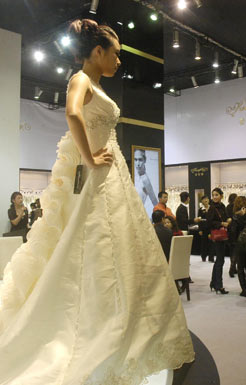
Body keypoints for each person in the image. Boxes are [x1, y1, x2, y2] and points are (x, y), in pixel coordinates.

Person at [0, 19, 194, 384]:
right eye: (116, 54)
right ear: (97, 52)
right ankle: (94, 328)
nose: (119, 61)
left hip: (112, 175)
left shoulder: (97, 84)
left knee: (120, 248)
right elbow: (72, 113)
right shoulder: (81, 80)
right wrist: (89, 159)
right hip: (97, 176)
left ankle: (124, 327)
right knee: (91, 247)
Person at [207, 188, 231, 294]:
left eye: (216, 195)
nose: (215, 197)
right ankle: (219, 285)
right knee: (220, 261)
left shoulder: (223, 206)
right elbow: (210, 222)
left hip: (223, 236)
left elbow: (224, 219)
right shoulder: (212, 208)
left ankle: (214, 283)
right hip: (217, 236)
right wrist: (222, 224)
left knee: (219, 260)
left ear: (221, 195)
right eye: (213, 195)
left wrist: (228, 220)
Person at [231, 196, 246, 297]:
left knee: (240, 268)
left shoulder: (235, 217)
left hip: (239, 244)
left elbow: (233, 232)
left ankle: (244, 289)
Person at [198, 195, 214, 262]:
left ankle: (211, 258)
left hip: (211, 228)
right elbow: (199, 220)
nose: (206, 200)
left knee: (211, 244)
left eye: (207, 199)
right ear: (202, 201)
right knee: (204, 244)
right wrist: (200, 229)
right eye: (204, 199)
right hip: (204, 228)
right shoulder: (201, 210)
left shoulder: (212, 208)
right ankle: (203, 257)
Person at [226, 193, 237, 277]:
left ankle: (233, 267)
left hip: (229, 231)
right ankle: (232, 267)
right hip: (236, 231)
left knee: (232, 251)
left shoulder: (227, 207)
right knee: (236, 251)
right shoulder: (237, 207)